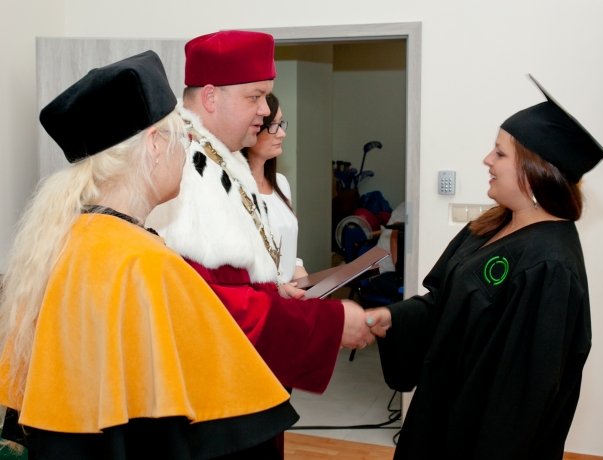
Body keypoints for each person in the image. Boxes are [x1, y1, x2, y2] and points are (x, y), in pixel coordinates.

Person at [0, 51, 298, 459]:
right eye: (183, 137)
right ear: (155, 144)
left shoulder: (63, 239)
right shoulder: (145, 263)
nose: (187, 150)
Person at [365, 75, 603, 459]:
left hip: (475, 439)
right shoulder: (492, 224)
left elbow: (521, 398)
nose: (487, 160)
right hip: (439, 414)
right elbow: (446, 303)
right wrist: (391, 318)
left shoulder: (550, 267)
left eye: (500, 153)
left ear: (536, 170)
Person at [146, 31, 374, 396]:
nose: (266, 111)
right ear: (210, 97)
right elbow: (211, 304)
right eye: (255, 96)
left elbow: (233, 277)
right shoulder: (181, 167)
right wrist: (328, 323)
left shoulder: (222, 159)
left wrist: (274, 289)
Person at [241, 93, 306, 284]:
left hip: (287, 293)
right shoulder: (235, 191)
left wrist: (312, 289)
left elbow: (289, 258)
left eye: (281, 123)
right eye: (272, 126)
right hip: (263, 296)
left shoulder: (281, 183)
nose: (282, 133)